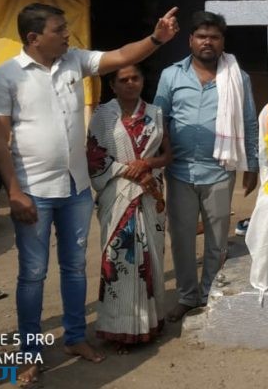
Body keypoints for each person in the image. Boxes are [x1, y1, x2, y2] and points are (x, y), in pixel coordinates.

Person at [0, 2, 179, 384]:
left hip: (75, 188)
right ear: (34, 37)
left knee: (75, 268)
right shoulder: (4, 76)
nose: (66, 33)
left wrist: (157, 38)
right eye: (59, 29)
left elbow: (123, 55)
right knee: (33, 273)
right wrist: (13, 191)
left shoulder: (74, 61)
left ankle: (75, 338)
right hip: (33, 192)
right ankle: (30, 352)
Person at [153, 11, 258, 323]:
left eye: (214, 37)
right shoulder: (171, 75)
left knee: (216, 237)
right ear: (191, 41)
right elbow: (159, 121)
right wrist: (156, 164)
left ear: (222, 42)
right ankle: (187, 296)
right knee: (183, 238)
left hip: (220, 169)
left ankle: (210, 292)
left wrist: (251, 164)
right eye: (201, 36)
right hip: (180, 170)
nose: (207, 42)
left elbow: (249, 121)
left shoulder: (237, 77)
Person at [87, 64, 172, 354]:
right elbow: (94, 159)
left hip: (150, 195)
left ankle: (151, 323)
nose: (130, 83)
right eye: (123, 80)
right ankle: (119, 329)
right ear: (112, 85)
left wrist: (147, 164)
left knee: (152, 260)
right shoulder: (101, 116)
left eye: (135, 77)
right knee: (118, 260)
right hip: (117, 194)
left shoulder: (155, 113)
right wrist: (129, 169)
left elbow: (167, 154)